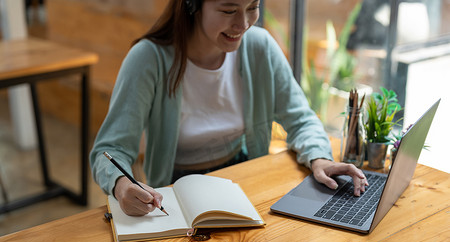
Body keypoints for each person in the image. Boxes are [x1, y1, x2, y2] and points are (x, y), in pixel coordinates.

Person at [90, 0, 368, 216]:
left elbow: (302, 120)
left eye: (253, 7)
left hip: (245, 179)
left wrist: (319, 158)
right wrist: (122, 184)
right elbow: (109, 150)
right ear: (193, 5)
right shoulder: (149, 59)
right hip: (175, 189)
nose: (243, 23)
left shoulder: (260, 48)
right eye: (228, 10)